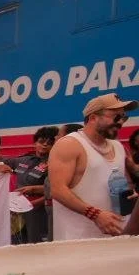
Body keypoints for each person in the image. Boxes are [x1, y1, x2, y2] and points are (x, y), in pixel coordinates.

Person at [49, 93, 134, 240]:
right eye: (116, 117)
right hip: (77, 242)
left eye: (124, 117)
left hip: (115, 240)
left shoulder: (118, 146)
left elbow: (126, 185)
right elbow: (58, 190)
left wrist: (131, 196)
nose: (121, 122)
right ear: (93, 118)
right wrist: (95, 215)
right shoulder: (69, 144)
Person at [8, 126, 57, 243]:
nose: (44, 145)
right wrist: (2, 166)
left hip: (41, 214)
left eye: (50, 143)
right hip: (18, 215)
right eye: (41, 141)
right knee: (17, 247)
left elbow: (58, 189)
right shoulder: (23, 160)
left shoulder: (56, 164)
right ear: (35, 143)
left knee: (38, 249)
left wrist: (34, 195)